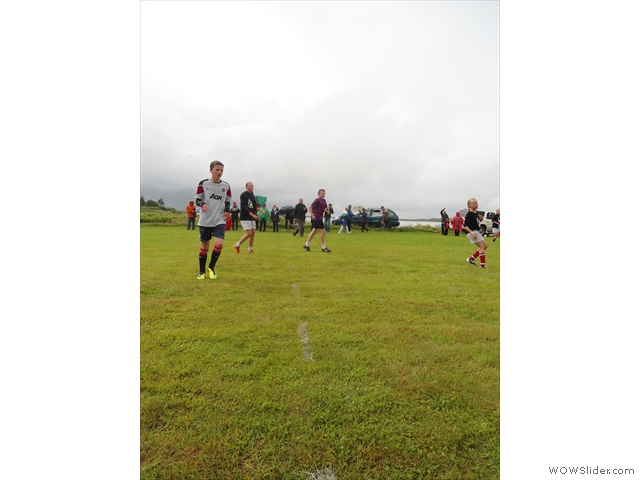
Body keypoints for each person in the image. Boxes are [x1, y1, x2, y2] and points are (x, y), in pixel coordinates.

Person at [194, 160, 232, 280]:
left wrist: (227, 210)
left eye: (221, 170)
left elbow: (227, 201)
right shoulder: (203, 184)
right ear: (211, 170)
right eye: (217, 170)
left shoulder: (226, 186)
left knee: (219, 244)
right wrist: (203, 204)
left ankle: (211, 267)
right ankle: (201, 271)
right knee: (204, 247)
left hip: (219, 219)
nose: (219, 172)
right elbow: (197, 200)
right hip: (206, 220)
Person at [233, 182, 264, 254]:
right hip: (245, 216)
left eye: (252, 186)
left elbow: (254, 204)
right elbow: (244, 207)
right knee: (249, 233)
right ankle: (237, 245)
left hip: (251, 216)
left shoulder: (252, 194)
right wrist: (252, 215)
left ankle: (250, 249)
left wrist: (259, 209)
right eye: (250, 186)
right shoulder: (243, 195)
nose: (251, 187)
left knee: (253, 233)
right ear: (246, 187)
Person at [463, 197, 489, 269]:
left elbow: (475, 224)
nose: (476, 205)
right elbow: (465, 226)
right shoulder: (469, 214)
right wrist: (472, 233)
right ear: (469, 205)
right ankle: (482, 265)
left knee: (485, 246)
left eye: (476, 203)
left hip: (476, 231)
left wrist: (480, 220)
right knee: (481, 247)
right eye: (473, 204)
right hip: (472, 232)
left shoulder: (476, 213)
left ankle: (471, 259)